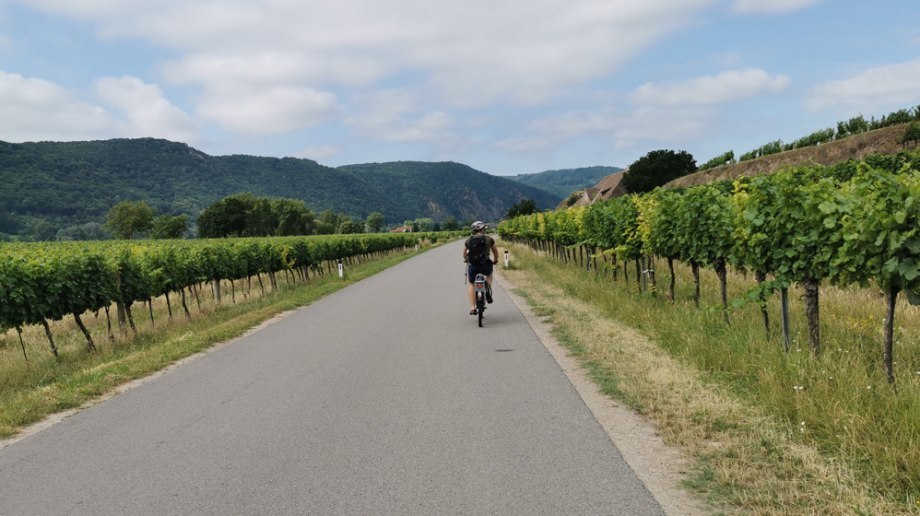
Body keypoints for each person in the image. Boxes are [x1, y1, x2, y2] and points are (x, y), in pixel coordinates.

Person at [463, 221, 499, 315]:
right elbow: (495, 251)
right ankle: (487, 290)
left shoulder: (469, 240)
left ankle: (473, 307)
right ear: (482, 229)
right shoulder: (489, 239)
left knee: (471, 283)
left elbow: (464, 253)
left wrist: (466, 260)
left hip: (473, 265)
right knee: (489, 274)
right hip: (485, 265)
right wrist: (495, 260)